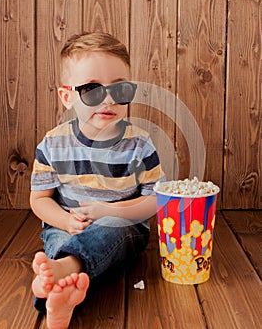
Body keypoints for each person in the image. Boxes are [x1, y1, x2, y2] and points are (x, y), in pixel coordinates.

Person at [30, 31, 165, 329]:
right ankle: (58, 292)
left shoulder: (140, 145)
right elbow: (39, 199)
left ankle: (60, 271)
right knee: (60, 240)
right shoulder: (53, 145)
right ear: (67, 97)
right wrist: (66, 221)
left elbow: (155, 198)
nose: (107, 99)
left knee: (110, 232)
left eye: (119, 89)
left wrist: (111, 212)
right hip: (68, 223)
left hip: (123, 226)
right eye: (92, 90)